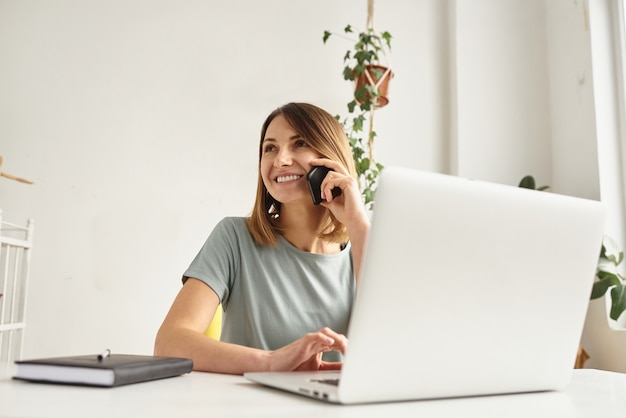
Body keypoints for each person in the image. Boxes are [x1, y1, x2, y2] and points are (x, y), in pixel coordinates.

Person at [154, 102, 371, 374]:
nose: (280, 160)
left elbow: (393, 345)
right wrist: (270, 362)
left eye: (299, 143)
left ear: (331, 157)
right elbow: (169, 342)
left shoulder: (362, 248)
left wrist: (357, 223)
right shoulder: (234, 238)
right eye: (270, 148)